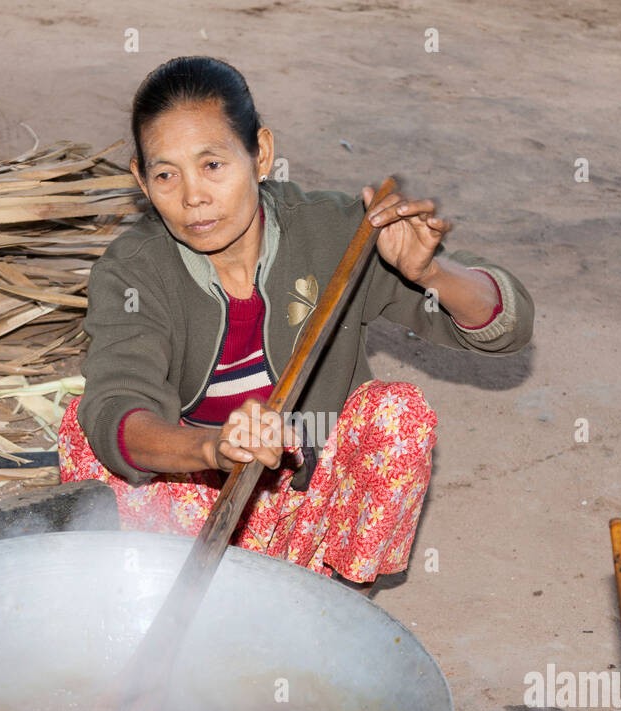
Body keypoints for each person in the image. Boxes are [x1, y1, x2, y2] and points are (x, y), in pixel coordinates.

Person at [58, 55, 534, 592]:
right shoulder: (135, 270)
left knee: (397, 415)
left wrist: (433, 272)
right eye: (166, 174)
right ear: (141, 181)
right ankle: (139, 596)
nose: (192, 197)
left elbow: (506, 326)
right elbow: (120, 405)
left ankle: (330, 605)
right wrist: (213, 447)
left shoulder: (335, 235)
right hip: (185, 520)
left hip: (308, 511)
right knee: (83, 425)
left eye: (213, 165)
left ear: (260, 153)